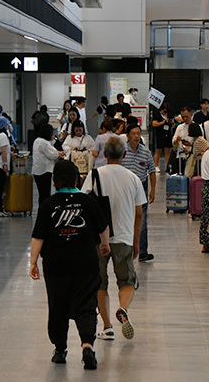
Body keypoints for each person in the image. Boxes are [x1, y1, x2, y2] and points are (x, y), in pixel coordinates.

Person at [29, 160, 111, 370]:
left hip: (56, 264)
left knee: (58, 305)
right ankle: (87, 346)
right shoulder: (87, 201)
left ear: (55, 180)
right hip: (85, 261)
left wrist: (33, 262)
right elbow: (103, 227)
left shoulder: (48, 204)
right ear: (77, 178)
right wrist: (105, 245)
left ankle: (60, 349)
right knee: (86, 304)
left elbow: (38, 236)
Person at [81, 136, 146, 341]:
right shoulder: (133, 178)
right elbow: (138, 214)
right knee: (126, 281)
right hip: (124, 236)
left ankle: (107, 327)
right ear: (125, 155)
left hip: (98, 238)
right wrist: (136, 241)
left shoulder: (94, 176)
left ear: (104, 153)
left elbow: (84, 206)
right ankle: (123, 308)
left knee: (99, 282)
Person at [122, 124, 157, 262]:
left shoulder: (145, 152)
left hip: (141, 188)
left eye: (138, 133)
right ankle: (126, 249)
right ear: (127, 136)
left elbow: (152, 171)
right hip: (125, 189)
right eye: (133, 134)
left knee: (141, 220)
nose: (136, 136)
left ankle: (142, 251)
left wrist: (153, 190)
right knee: (125, 219)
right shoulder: (122, 151)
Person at [32, 124, 66, 206]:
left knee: (41, 194)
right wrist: (59, 154)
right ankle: (45, 211)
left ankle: (42, 211)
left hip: (37, 171)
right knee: (45, 194)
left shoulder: (37, 140)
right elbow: (52, 154)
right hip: (45, 171)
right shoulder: (44, 143)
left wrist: (57, 152)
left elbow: (50, 150)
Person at [152, 103, 173, 172]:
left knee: (167, 151)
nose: (165, 112)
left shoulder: (169, 116)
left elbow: (172, 125)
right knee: (158, 151)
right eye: (164, 111)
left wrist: (171, 122)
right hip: (160, 134)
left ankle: (168, 166)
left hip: (168, 134)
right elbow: (154, 124)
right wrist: (162, 122)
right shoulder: (157, 116)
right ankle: (156, 165)